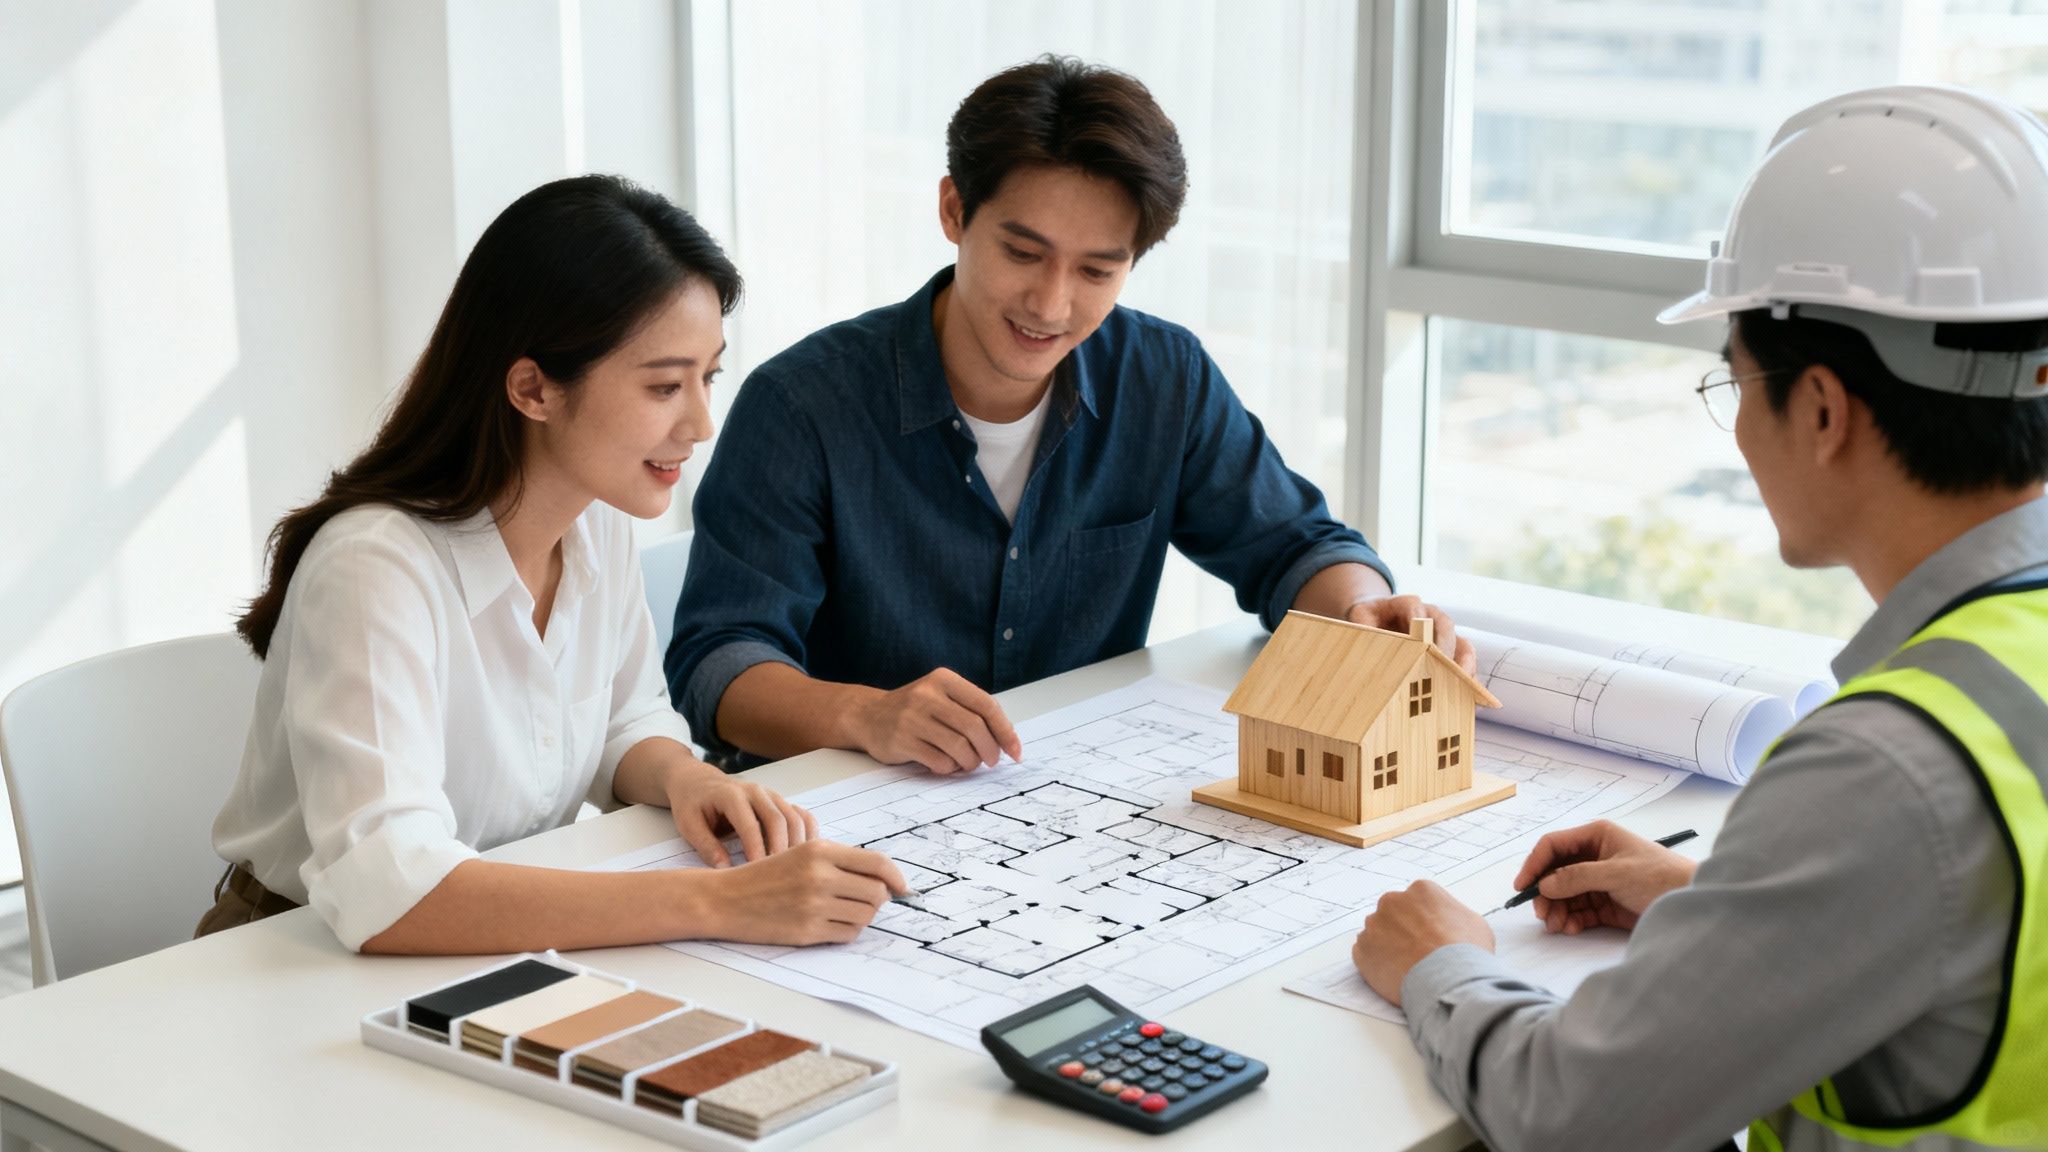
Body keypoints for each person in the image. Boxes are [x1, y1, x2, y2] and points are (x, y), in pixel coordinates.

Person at [1350, 86, 2048, 1152]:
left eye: (1732, 384)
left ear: (1819, 409)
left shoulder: (1886, 766)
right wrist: (1722, 904)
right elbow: (1980, 924)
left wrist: (1439, 963)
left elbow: (1573, 1117)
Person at [666, 56, 1472, 773]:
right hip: (843, 811)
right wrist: (866, 715)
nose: (1052, 304)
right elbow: (719, 665)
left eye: (1096, 270)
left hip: (1065, 807)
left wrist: (1361, 609)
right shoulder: (803, 404)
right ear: (954, 212)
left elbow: (1295, 548)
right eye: (1023, 253)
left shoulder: (1163, 377)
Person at [203, 175, 906, 955]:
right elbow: (388, 888)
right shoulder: (374, 569)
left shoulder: (593, 520)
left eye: (706, 378)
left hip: (483, 936)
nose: (702, 423)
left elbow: (623, 720)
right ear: (533, 388)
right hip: (294, 957)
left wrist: (689, 779)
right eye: (665, 385)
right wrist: (717, 902)